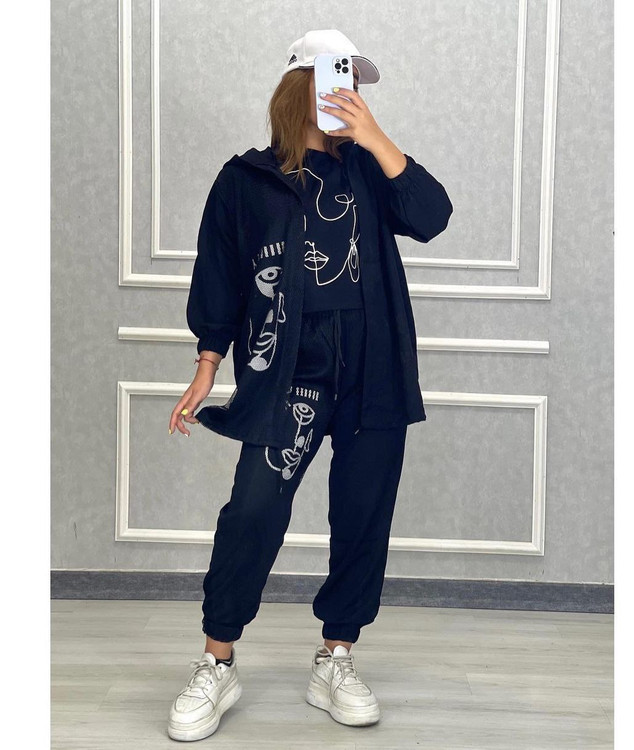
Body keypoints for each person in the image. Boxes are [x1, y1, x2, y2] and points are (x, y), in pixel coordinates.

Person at [166, 29, 453, 742]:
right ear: (302, 87)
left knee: (362, 516)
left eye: (353, 84)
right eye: (335, 80)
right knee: (253, 511)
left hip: (373, 375)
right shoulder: (245, 180)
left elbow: (433, 216)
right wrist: (206, 366)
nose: (346, 94)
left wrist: (376, 137)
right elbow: (219, 277)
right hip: (288, 376)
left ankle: (337, 656)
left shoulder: (371, 172)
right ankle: (217, 660)